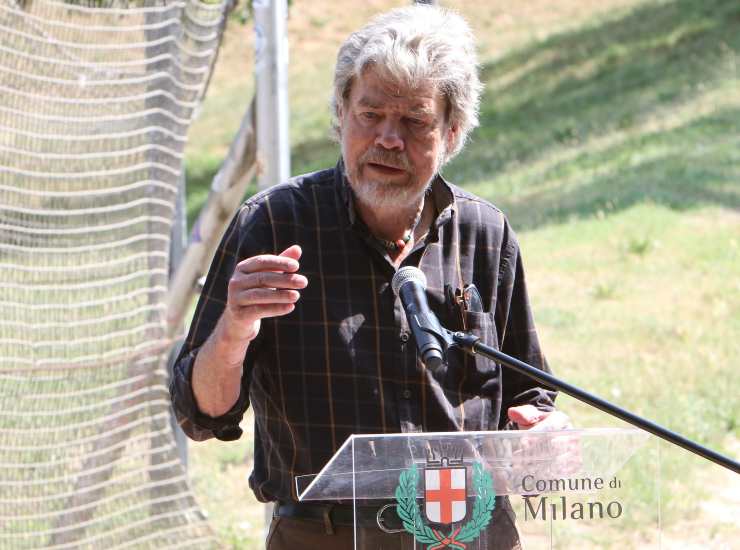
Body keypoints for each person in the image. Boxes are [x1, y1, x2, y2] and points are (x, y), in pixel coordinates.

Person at [170, 5, 569, 549]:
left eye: (414, 122)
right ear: (341, 112)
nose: (387, 138)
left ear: (451, 133)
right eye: (370, 114)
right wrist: (236, 328)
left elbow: (529, 394)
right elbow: (200, 413)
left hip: (467, 531)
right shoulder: (274, 224)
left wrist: (545, 433)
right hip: (327, 534)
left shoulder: (484, 233)